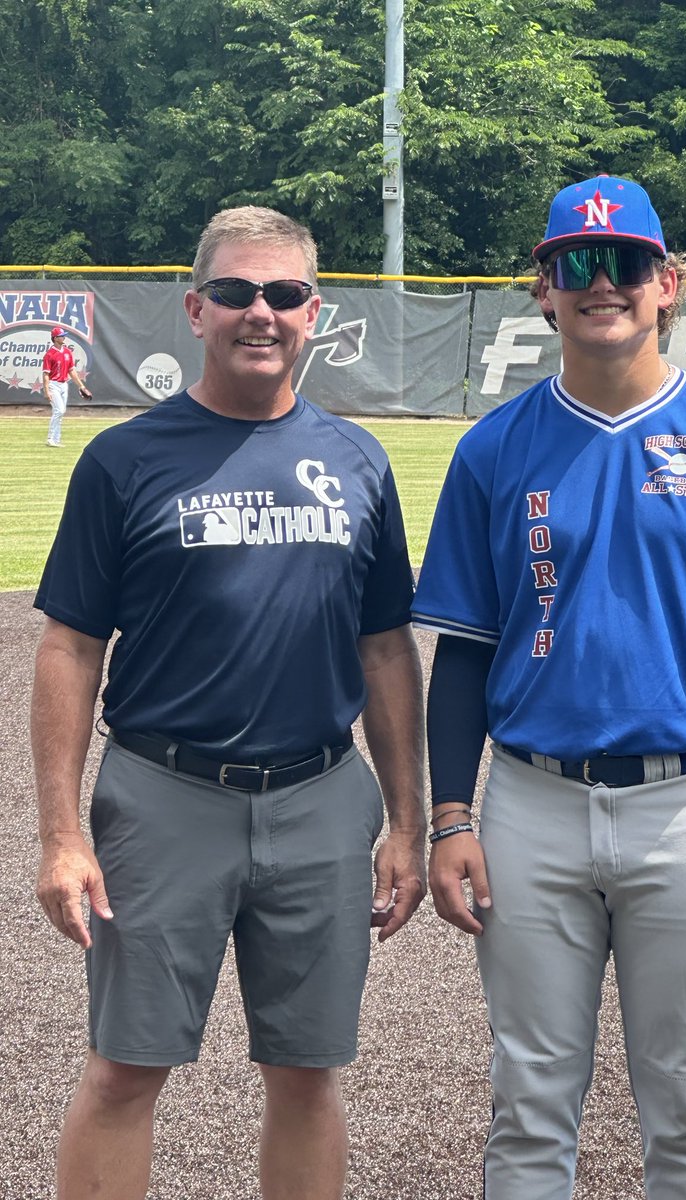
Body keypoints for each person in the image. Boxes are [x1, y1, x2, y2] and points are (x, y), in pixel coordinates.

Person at [412, 174, 686, 1199]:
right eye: (575, 264)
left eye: (625, 263)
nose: (601, 282)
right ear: (545, 290)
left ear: (668, 284)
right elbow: (464, 650)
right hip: (530, 802)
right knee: (529, 1102)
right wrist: (449, 816)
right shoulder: (494, 449)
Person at [31, 205, 426, 1200]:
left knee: (306, 1073)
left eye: (285, 294)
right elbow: (73, 648)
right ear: (196, 308)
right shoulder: (124, 459)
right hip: (164, 792)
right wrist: (60, 835)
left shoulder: (358, 462)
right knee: (125, 1069)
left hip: (319, 793)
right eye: (240, 293)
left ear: (313, 313)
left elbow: (386, 653)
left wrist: (407, 821)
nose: (263, 312)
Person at [42, 326, 92, 446]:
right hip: (53, 385)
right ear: (55, 338)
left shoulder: (67, 352)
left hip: (64, 385)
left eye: (64, 335)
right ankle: (50, 438)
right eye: (61, 335)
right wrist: (46, 390)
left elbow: (72, 371)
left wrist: (81, 386)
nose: (64, 337)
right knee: (60, 410)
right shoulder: (49, 354)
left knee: (59, 412)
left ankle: (56, 439)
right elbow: (45, 374)